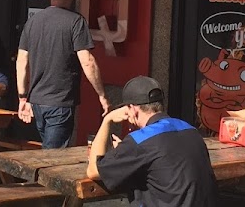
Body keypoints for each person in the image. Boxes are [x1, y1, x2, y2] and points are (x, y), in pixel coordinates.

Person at [86, 76, 218, 207]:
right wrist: (125, 149)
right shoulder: (191, 130)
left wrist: (107, 120)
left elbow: (93, 171)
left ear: (132, 109)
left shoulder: (140, 140)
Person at [16, 0, 109, 148]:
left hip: (37, 100)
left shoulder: (33, 22)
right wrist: (102, 95)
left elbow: (22, 61)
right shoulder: (76, 22)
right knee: (53, 157)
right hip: (60, 101)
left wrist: (23, 97)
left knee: (49, 149)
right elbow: (87, 61)